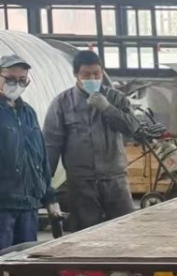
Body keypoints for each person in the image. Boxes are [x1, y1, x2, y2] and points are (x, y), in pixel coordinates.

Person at [43, 50, 140, 232]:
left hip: (115, 179)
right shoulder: (62, 103)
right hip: (81, 182)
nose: (92, 79)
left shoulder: (116, 98)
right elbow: (51, 144)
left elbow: (133, 128)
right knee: (85, 233)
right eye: (86, 75)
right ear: (75, 74)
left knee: (125, 230)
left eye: (97, 74)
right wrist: (45, 184)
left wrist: (107, 108)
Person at [0, 54, 58, 249]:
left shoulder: (28, 113)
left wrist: (49, 197)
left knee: (25, 260)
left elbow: (41, 158)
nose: (16, 85)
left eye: (22, 80)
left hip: (29, 204)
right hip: (2, 206)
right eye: (10, 79)